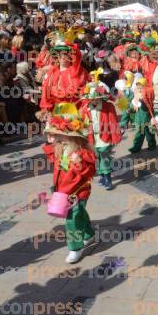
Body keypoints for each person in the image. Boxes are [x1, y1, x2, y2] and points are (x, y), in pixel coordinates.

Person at [43, 103, 96, 264]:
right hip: (63, 191)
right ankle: (89, 235)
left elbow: (90, 172)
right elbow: (50, 155)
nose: (59, 138)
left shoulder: (82, 151)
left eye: (62, 135)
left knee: (72, 220)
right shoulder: (60, 148)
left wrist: (79, 162)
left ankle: (75, 248)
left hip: (78, 192)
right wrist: (50, 137)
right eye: (58, 135)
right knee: (80, 214)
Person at [79, 80, 122, 190]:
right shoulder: (85, 108)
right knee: (96, 157)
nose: (93, 101)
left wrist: (115, 136)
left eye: (96, 99)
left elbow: (113, 122)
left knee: (104, 156)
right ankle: (102, 176)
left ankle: (108, 178)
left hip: (104, 136)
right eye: (91, 99)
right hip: (91, 137)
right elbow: (81, 124)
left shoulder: (108, 106)